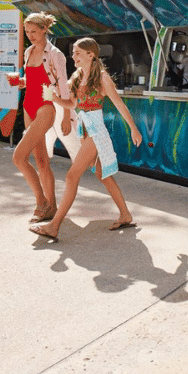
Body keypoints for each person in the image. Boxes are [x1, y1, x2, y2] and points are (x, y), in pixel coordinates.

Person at [29, 38, 143, 241]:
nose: (73, 56)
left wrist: (134, 129)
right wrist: (53, 97)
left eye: (77, 53)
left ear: (91, 55)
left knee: (72, 176)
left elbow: (119, 105)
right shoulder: (77, 76)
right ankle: (125, 214)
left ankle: (54, 226)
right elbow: (72, 103)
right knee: (103, 175)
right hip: (84, 131)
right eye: (73, 53)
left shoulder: (102, 78)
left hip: (95, 131)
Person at [12, 12, 75, 224]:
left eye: (34, 31)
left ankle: (41, 202)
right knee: (40, 160)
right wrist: (21, 82)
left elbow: (63, 86)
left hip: (45, 106)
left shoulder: (55, 54)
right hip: (28, 105)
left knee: (19, 157)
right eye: (27, 31)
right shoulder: (28, 52)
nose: (30, 35)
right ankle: (52, 207)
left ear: (44, 30)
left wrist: (66, 115)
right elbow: (33, 80)